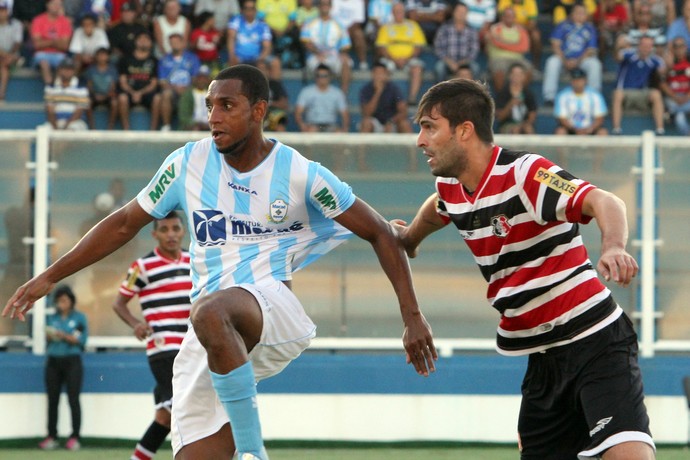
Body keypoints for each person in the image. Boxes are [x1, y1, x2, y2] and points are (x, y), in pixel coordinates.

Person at [3, 63, 437, 460]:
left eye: (227, 105)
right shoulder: (186, 164)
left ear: (259, 110)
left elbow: (378, 230)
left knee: (211, 312)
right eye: (210, 105)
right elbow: (123, 224)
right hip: (209, 332)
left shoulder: (300, 172)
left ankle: (253, 452)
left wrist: (412, 316)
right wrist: (48, 277)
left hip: (270, 312)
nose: (214, 116)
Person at [394, 77, 656, 460]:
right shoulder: (452, 188)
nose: (420, 140)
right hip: (542, 359)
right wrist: (409, 240)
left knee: (627, 456)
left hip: (595, 340)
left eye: (429, 127)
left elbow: (604, 200)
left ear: (464, 131)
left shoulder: (525, 174)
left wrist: (613, 247)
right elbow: (437, 209)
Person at [112, 211, 192, 460]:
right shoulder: (141, 267)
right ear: (154, 234)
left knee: (165, 417)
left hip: (192, 348)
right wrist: (136, 323)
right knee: (185, 412)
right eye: (165, 229)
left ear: (183, 231)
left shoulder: (196, 261)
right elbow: (119, 303)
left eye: (175, 229)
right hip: (163, 349)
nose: (171, 235)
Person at [39, 285, 88, 452]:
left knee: (73, 399)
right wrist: (50, 334)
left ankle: (75, 437)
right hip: (53, 361)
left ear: (71, 301)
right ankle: (51, 436)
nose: (61, 304)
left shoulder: (79, 318)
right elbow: (47, 336)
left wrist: (62, 335)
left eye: (64, 300)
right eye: (59, 301)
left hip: (72, 361)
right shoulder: (52, 318)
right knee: (52, 400)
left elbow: (79, 340)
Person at [542, 4, 602, 106]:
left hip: (582, 60)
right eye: (577, 12)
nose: (580, 15)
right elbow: (555, 45)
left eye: (583, 13)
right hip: (563, 58)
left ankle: (594, 97)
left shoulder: (590, 28)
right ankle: (549, 97)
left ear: (587, 16)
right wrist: (565, 60)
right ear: (571, 14)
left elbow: (590, 50)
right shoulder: (563, 25)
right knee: (551, 62)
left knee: (595, 64)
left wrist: (577, 61)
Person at [610, 35, 666, 135]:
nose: (646, 48)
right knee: (617, 94)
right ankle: (616, 129)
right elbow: (617, 57)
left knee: (656, 94)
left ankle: (660, 130)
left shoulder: (656, 60)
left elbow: (663, 72)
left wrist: (664, 58)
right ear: (639, 46)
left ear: (652, 47)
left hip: (643, 93)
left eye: (649, 46)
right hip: (625, 92)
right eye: (644, 45)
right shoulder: (628, 54)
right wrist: (619, 46)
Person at [375, 1, 427, 105]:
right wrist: (394, 59)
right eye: (396, 11)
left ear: (404, 12)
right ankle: (385, 100)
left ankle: (412, 98)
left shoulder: (413, 26)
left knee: (417, 69)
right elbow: (381, 48)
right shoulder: (386, 27)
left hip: (409, 59)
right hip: (390, 59)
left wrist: (406, 59)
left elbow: (418, 47)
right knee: (381, 70)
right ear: (392, 13)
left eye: (401, 11)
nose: (399, 13)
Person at [300, 0, 353, 92]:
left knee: (346, 63)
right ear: (318, 7)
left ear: (331, 7)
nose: (325, 6)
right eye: (322, 4)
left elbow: (345, 44)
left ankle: (343, 96)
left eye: (327, 4)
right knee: (320, 67)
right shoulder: (309, 22)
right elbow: (306, 42)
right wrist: (318, 53)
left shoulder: (339, 24)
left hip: (334, 55)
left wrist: (343, 53)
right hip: (315, 55)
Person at [117, 31, 162, 130]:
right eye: (140, 39)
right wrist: (133, 93)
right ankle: (126, 130)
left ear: (151, 43)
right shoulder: (125, 59)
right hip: (130, 91)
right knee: (122, 98)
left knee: (158, 98)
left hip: (147, 92)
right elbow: (123, 81)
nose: (143, 42)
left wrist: (140, 93)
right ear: (136, 42)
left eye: (146, 39)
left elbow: (154, 83)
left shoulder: (154, 60)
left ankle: (153, 130)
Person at [226, 0, 280, 79]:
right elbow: (231, 38)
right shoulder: (236, 21)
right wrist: (232, 54)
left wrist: (261, 58)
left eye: (251, 9)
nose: (249, 11)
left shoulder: (262, 25)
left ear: (255, 10)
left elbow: (267, 46)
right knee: (232, 62)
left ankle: (272, 89)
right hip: (239, 57)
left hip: (257, 57)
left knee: (274, 63)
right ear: (242, 10)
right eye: (247, 8)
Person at [158, 32, 201, 131]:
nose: (174, 44)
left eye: (177, 42)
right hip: (172, 90)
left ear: (183, 43)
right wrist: (175, 88)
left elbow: (196, 78)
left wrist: (187, 88)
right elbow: (162, 82)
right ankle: (166, 126)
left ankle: (195, 125)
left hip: (189, 89)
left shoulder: (192, 58)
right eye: (172, 42)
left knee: (198, 92)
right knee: (166, 94)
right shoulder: (164, 59)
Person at [485, 6, 532, 92]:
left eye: (512, 16)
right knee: (499, 71)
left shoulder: (521, 30)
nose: (509, 18)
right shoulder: (495, 28)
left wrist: (503, 43)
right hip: (499, 59)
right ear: (502, 17)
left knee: (529, 69)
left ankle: (519, 95)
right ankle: (502, 98)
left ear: (515, 18)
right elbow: (496, 43)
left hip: (517, 59)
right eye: (507, 16)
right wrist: (515, 45)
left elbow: (524, 47)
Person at [359, 60, 412, 134]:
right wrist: (378, 92)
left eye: (381, 73)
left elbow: (403, 112)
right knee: (366, 123)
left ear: (386, 74)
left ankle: (412, 146)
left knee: (404, 124)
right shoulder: (366, 89)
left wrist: (391, 121)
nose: (379, 76)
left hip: (392, 122)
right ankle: (362, 146)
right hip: (375, 123)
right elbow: (367, 113)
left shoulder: (394, 88)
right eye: (376, 73)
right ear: (372, 74)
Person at [294, 63, 350, 133]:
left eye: (324, 76)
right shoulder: (307, 92)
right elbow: (298, 112)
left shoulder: (337, 93)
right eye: (319, 76)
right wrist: (302, 126)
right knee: (311, 131)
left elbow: (345, 114)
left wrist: (344, 129)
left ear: (330, 77)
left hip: (331, 125)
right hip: (312, 125)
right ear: (315, 77)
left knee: (339, 134)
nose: (321, 78)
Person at [433, 2, 481, 82]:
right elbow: (438, 48)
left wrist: (461, 63)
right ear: (454, 12)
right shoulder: (444, 28)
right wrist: (449, 62)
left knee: (476, 68)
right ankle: (440, 93)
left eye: (464, 12)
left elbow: (474, 50)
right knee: (439, 68)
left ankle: (474, 93)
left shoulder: (472, 30)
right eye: (459, 11)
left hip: (465, 62)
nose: (461, 14)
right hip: (447, 62)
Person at [554, 67, 609, 136]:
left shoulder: (595, 95)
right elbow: (562, 118)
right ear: (571, 81)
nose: (577, 82)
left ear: (585, 80)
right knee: (560, 131)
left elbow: (599, 117)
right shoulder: (563, 95)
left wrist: (589, 129)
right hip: (571, 129)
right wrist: (574, 129)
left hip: (590, 129)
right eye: (574, 79)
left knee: (602, 132)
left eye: (580, 79)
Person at [30, 0, 73, 85]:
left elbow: (65, 46)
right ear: (47, 5)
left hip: (60, 54)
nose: (56, 6)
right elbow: (37, 45)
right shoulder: (38, 20)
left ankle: (57, 88)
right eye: (54, 4)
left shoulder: (65, 22)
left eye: (59, 4)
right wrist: (55, 41)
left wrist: (45, 41)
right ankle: (49, 85)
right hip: (41, 54)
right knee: (43, 61)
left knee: (63, 63)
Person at [44, 57, 90, 131]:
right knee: (43, 130)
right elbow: (50, 110)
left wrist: (66, 128)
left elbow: (79, 111)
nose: (67, 72)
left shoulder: (81, 88)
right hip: (56, 122)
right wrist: (56, 128)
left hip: (75, 122)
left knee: (73, 128)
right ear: (59, 70)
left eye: (70, 69)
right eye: (64, 69)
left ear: (73, 71)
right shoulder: (51, 88)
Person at [493, 62, 537, 134]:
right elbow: (500, 117)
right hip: (507, 125)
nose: (517, 77)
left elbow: (532, 115)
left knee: (528, 129)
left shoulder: (528, 94)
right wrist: (510, 105)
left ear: (524, 76)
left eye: (520, 74)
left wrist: (524, 124)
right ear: (510, 76)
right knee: (515, 130)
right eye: (515, 74)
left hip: (524, 124)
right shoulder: (503, 93)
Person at [496, 0, 541, 67]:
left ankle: (536, 64)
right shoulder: (504, 1)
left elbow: (532, 23)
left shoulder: (530, 1)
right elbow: (502, 19)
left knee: (536, 36)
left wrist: (521, 29)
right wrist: (514, 27)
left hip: (525, 28)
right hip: (508, 27)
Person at [660, 37, 690, 134]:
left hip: (688, 98)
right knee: (679, 116)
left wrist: (687, 96)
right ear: (672, 49)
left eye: (681, 46)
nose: (679, 49)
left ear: (685, 47)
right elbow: (662, 83)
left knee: (678, 114)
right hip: (672, 98)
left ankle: (670, 113)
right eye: (676, 46)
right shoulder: (667, 64)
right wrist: (675, 97)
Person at [85, 47, 119, 129]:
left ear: (108, 57)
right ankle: (92, 127)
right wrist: (94, 95)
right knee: (87, 102)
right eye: (100, 55)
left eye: (104, 55)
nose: (102, 57)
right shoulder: (91, 70)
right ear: (96, 57)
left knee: (114, 103)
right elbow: (89, 86)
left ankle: (110, 127)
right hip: (94, 95)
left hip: (108, 95)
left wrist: (105, 96)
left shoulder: (112, 70)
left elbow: (113, 87)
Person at [177, 64, 212, 131]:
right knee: (196, 129)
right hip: (193, 126)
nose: (202, 80)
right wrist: (195, 123)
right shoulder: (188, 94)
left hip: (209, 125)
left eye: (205, 78)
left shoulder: (213, 94)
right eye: (200, 78)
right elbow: (183, 116)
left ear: (208, 80)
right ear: (195, 79)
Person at [0, 1, 22, 101]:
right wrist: (5, 55)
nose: (1, 13)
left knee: (5, 63)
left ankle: (1, 94)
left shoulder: (17, 24)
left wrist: (9, 55)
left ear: (8, 11)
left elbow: (17, 43)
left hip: (12, 55)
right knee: (4, 63)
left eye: (3, 10)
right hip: (4, 56)